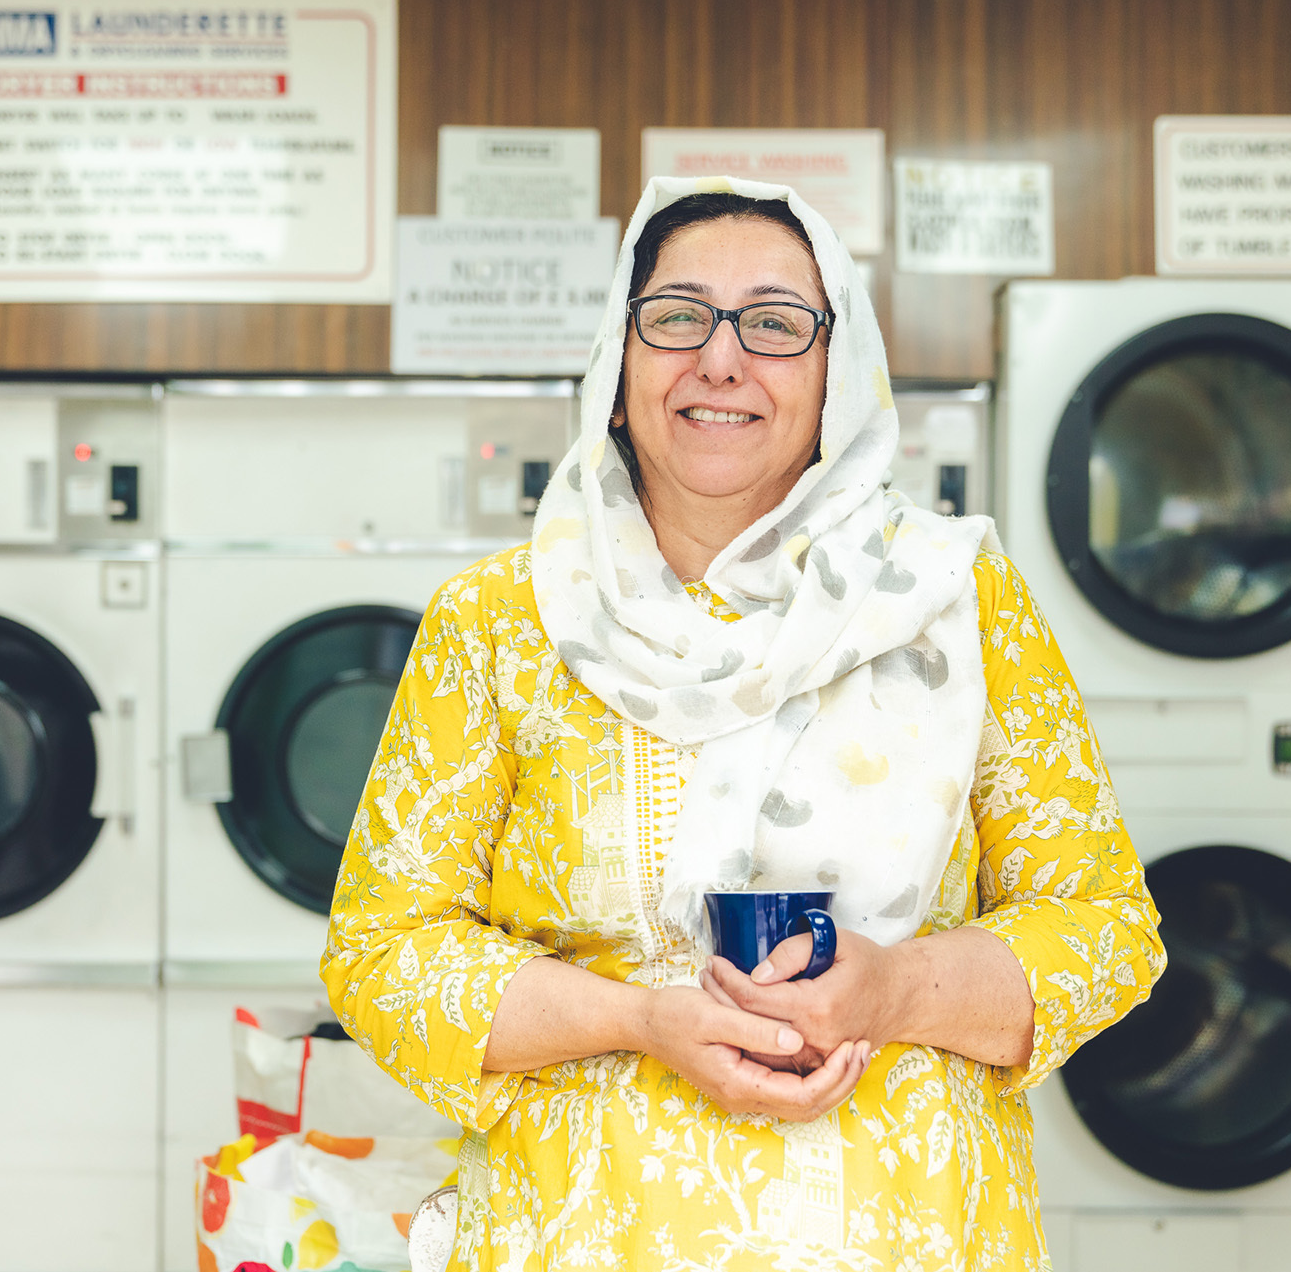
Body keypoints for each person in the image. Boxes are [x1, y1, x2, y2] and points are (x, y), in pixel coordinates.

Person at [323, 177, 1165, 1271]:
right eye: (677, 316)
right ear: (618, 370)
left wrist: (897, 989)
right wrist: (642, 1019)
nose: (721, 360)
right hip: (588, 1234)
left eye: (774, 324)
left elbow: (1103, 927)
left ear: (837, 378)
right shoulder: (499, 622)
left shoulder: (959, 602)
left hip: (908, 1229)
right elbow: (382, 954)